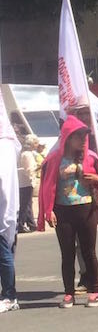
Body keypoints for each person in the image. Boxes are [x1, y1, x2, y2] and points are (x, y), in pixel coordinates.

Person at [37, 115, 98, 309]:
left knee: (89, 252)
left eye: (84, 136)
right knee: (67, 254)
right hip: (62, 211)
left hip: (86, 209)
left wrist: (95, 178)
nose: (82, 139)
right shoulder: (54, 159)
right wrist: (48, 210)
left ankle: (95, 292)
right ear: (67, 137)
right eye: (78, 136)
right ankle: (69, 294)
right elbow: (46, 186)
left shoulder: (92, 157)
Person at [0, 107, 20, 313]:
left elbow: (4, 184)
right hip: (5, 209)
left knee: (3, 252)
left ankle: (9, 295)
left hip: (3, 212)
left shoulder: (5, 145)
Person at [17, 133, 39, 232]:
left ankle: (31, 224)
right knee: (25, 204)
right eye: (36, 143)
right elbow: (30, 169)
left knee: (28, 203)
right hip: (26, 182)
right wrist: (39, 167)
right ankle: (21, 225)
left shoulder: (25, 153)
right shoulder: (27, 154)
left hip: (23, 182)